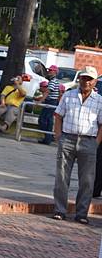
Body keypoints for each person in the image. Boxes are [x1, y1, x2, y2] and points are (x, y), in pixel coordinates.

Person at [52, 66, 102, 225]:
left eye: (90, 79)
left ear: (95, 82)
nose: (86, 81)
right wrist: (58, 136)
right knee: (61, 176)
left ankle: (81, 213)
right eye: (84, 78)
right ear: (79, 78)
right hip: (67, 139)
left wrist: (96, 143)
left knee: (87, 180)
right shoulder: (68, 95)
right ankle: (60, 210)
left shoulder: (100, 101)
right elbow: (58, 116)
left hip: (89, 141)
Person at [38, 65, 61, 144]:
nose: (49, 72)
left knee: (43, 120)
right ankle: (48, 137)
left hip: (51, 102)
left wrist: (40, 101)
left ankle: (48, 138)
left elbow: (47, 92)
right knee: (48, 120)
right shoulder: (55, 81)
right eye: (49, 70)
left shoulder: (53, 81)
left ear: (55, 72)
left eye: (51, 70)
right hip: (52, 101)